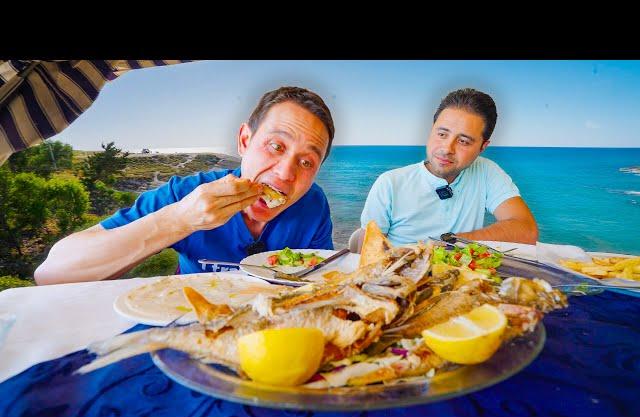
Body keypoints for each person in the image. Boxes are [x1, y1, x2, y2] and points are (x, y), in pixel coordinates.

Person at [35, 86, 335, 285]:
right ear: (245, 140)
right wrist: (180, 219)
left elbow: (321, 278)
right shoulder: (185, 195)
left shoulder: (313, 206)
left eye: (307, 162)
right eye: (276, 146)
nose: (285, 174)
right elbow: (52, 274)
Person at [360, 88, 538, 246]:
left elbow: (526, 230)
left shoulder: (486, 171)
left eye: (463, 141)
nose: (446, 149)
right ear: (432, 130)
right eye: (442, 134)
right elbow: (367, 253)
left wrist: (451, 242)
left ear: (483, 147)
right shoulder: (390, 183)